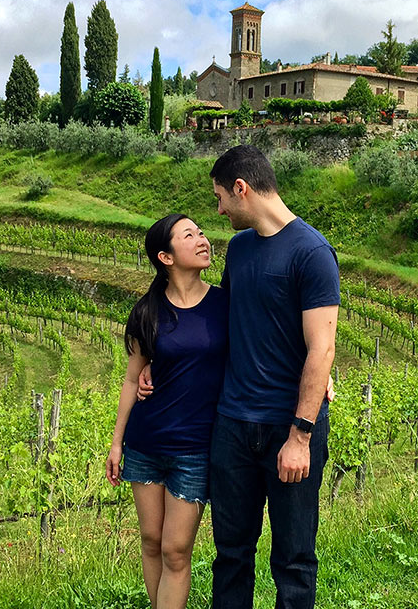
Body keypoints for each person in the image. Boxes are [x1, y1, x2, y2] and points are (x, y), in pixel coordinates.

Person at [141, 146, 339, 608]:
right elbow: (218, 323)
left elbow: (321, 346)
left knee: (292, 559)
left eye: (219, 198)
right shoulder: (242, 250)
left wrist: (300, 435)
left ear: (241, 189)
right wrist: (156, 361)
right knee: (231, 555)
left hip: (288, 428)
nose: (218, 211)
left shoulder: (312, 252)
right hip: (230, 426)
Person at [106, 213, 229, 609]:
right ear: (166, 256)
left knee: (176, 550)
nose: (202, 239)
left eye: (202, 232)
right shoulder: (147, 312)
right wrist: (117, 442)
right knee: (151, 541)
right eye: (189, 235)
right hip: (145, 445)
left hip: (194, 450)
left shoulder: (224, 304)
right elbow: (131, 378)